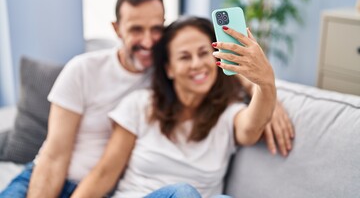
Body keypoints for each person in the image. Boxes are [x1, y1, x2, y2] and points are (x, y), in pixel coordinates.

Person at [0, 0, 293, 198]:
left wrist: (264, 86)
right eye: (136, 29)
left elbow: (221, 84)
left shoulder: (175, 79)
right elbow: (58, 157)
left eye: (156, 29)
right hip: (49, 178)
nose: (149, 41)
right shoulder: (92, 75)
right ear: (117, 29)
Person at [71, 16, 277, 198]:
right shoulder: (140, 105)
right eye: (185, 57)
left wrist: (265, 83)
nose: (197, 64)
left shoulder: (228, 115)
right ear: (169, 69)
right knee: (183, 192)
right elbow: (104, 173)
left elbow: (251, 128)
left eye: (204, 53)